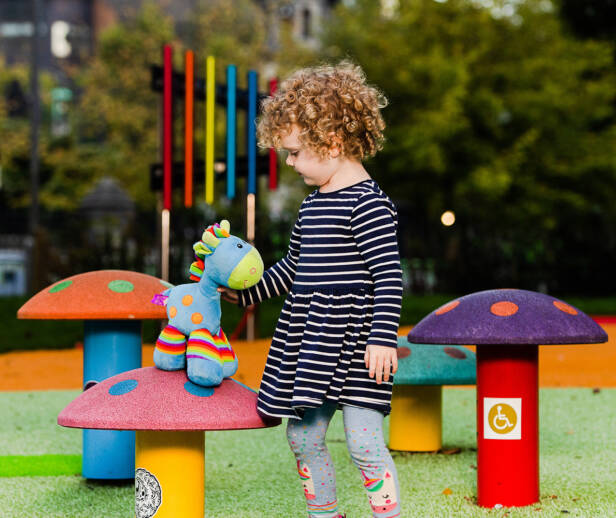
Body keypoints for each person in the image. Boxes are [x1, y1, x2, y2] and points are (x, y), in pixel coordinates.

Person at [219, 62, 403, 518]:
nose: (289, 161)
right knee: (302, 436)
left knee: (363, 443)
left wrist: (382, 337)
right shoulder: (312, 205)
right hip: (310, 343)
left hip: (359, 342)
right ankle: (325, 514)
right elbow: (294, 268)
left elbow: (389, 276)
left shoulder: (370, 206)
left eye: (296, 152)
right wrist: (247, 295)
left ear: (333, 144)